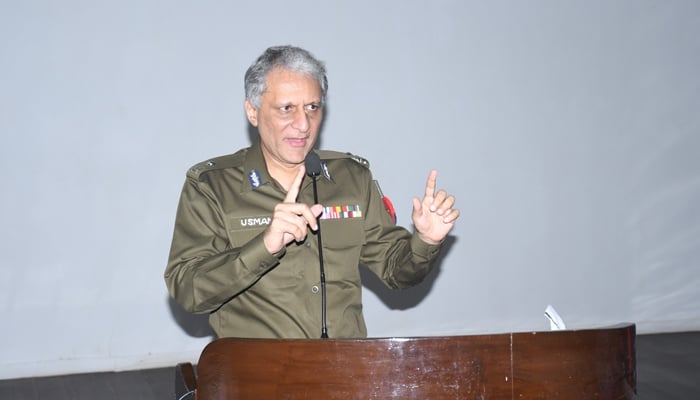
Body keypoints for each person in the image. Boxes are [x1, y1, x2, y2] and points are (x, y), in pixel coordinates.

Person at [164, 45, 459, 339]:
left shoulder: (351, 178)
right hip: (257, 377)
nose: (303, 124)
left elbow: (396, 271)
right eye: (286, 108)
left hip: (346, 372)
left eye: (312, 107)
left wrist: (425, 241)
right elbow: (188, 291)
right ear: (252, 112)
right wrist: (264, 247)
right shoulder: (212, 186)